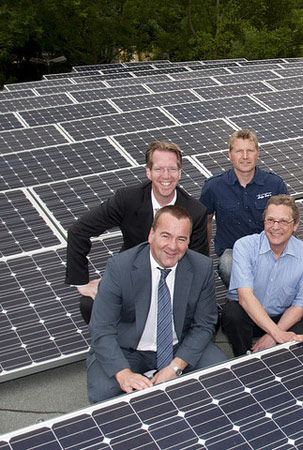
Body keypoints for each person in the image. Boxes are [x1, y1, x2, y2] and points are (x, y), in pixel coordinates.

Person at [86, 206, 225, 403]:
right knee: (103, 392)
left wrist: (176, 367)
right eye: (166, 236)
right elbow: (101, 328)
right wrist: (123, 373)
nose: (173, 246)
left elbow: (204, 325)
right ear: (151, 235)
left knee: (219, 372)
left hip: (179, 345)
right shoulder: (119, 267)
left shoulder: (201, 267)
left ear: (188, 241)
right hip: (129, 349)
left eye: (181, 239)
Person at [65, 141, 209, 324]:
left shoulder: (195, 212)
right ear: (148, 172)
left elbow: (198, 263)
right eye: (159, 169)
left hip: (171, 281)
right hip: (132, 275)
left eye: (172, 169)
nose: (166, 176)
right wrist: (81, 282)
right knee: (90, 304)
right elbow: (79, 231)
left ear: (180, 173)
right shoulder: (127, 200)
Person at [222, 195, 303, 357]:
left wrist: (274, 334)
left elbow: (300, 305)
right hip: (247, 313)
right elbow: (245, 298)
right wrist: (277, 334)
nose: (275, 227)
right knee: (233, 314)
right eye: (270, 220)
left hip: (282, 315)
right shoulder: (245, 246)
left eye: (283, 222)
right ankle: (242, 358)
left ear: (295, 225)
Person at [199, 129, 288, 287]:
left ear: (257, 153)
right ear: (230, 154)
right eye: (239, 151)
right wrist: (205, 256)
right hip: (233, 250)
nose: (245, 156)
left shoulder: (274, 184)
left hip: (270, 247)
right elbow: (204, 221)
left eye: (250, 151)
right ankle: (241, 298)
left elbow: (289, 219)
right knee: (227, 266)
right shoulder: (214, 186)